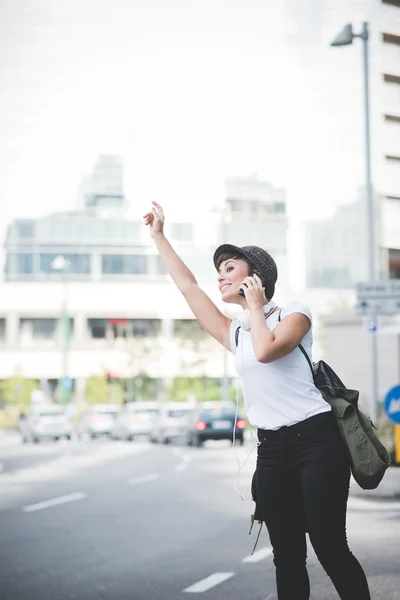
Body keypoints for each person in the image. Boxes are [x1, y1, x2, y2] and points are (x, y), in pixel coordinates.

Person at [143, 201, 371, 600]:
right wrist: (159, 236)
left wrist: (254, 305)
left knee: (330, 548)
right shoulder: (235, 333)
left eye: (229, 268)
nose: (220, 277)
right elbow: (189, 287)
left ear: (257, 276)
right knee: (286, 556)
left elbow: (266, 351)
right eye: (219, 271)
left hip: (317, 442)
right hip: (272, 449)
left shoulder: (295, 314)